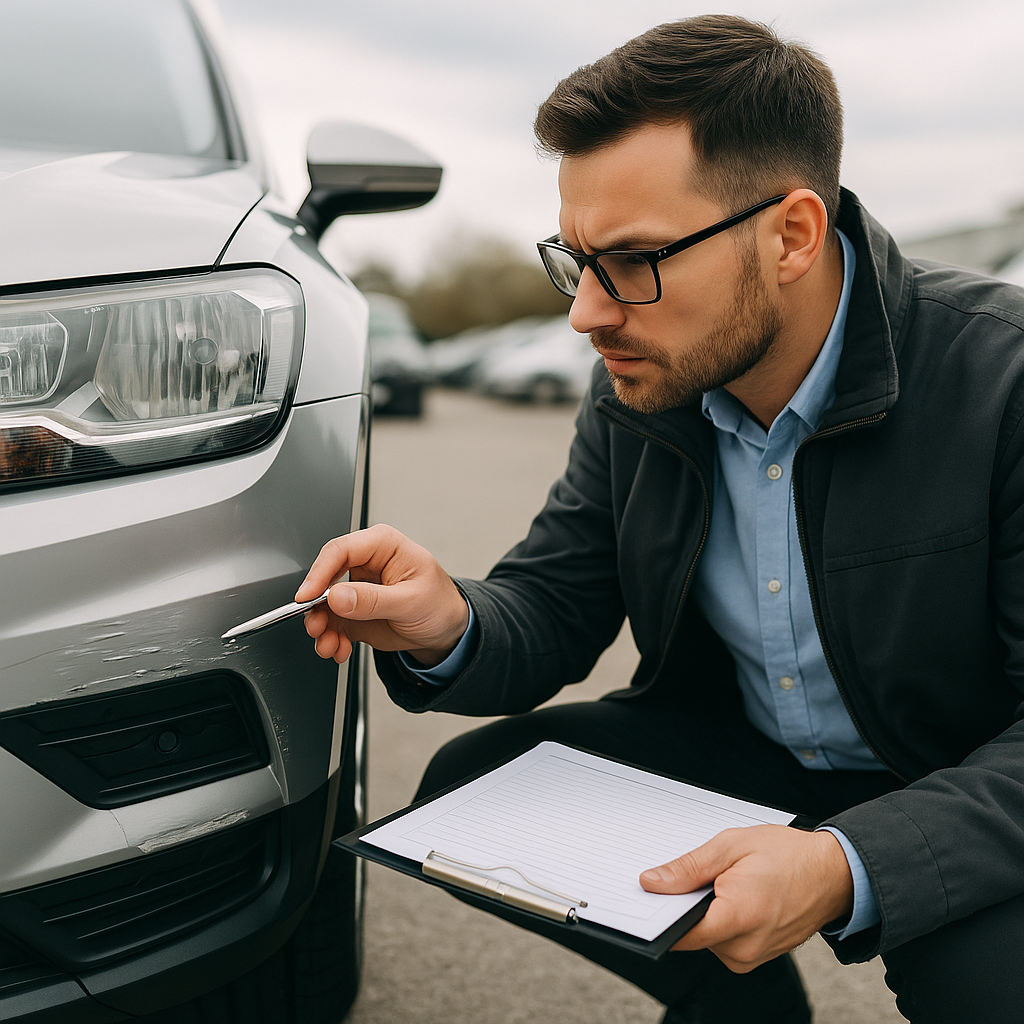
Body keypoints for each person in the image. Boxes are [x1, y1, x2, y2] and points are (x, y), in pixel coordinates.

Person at [297, 15, 1024, 1023]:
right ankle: (737, 1008)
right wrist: (447, 621)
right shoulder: (640, 386)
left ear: (791, 234)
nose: (586, 315)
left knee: (988, 987)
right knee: (476, 792)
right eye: (576, 259)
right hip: (746, 750)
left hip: (954, 777)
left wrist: (847, 864)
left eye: (633, 261)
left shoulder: (1003, 379)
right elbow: (556, 600)